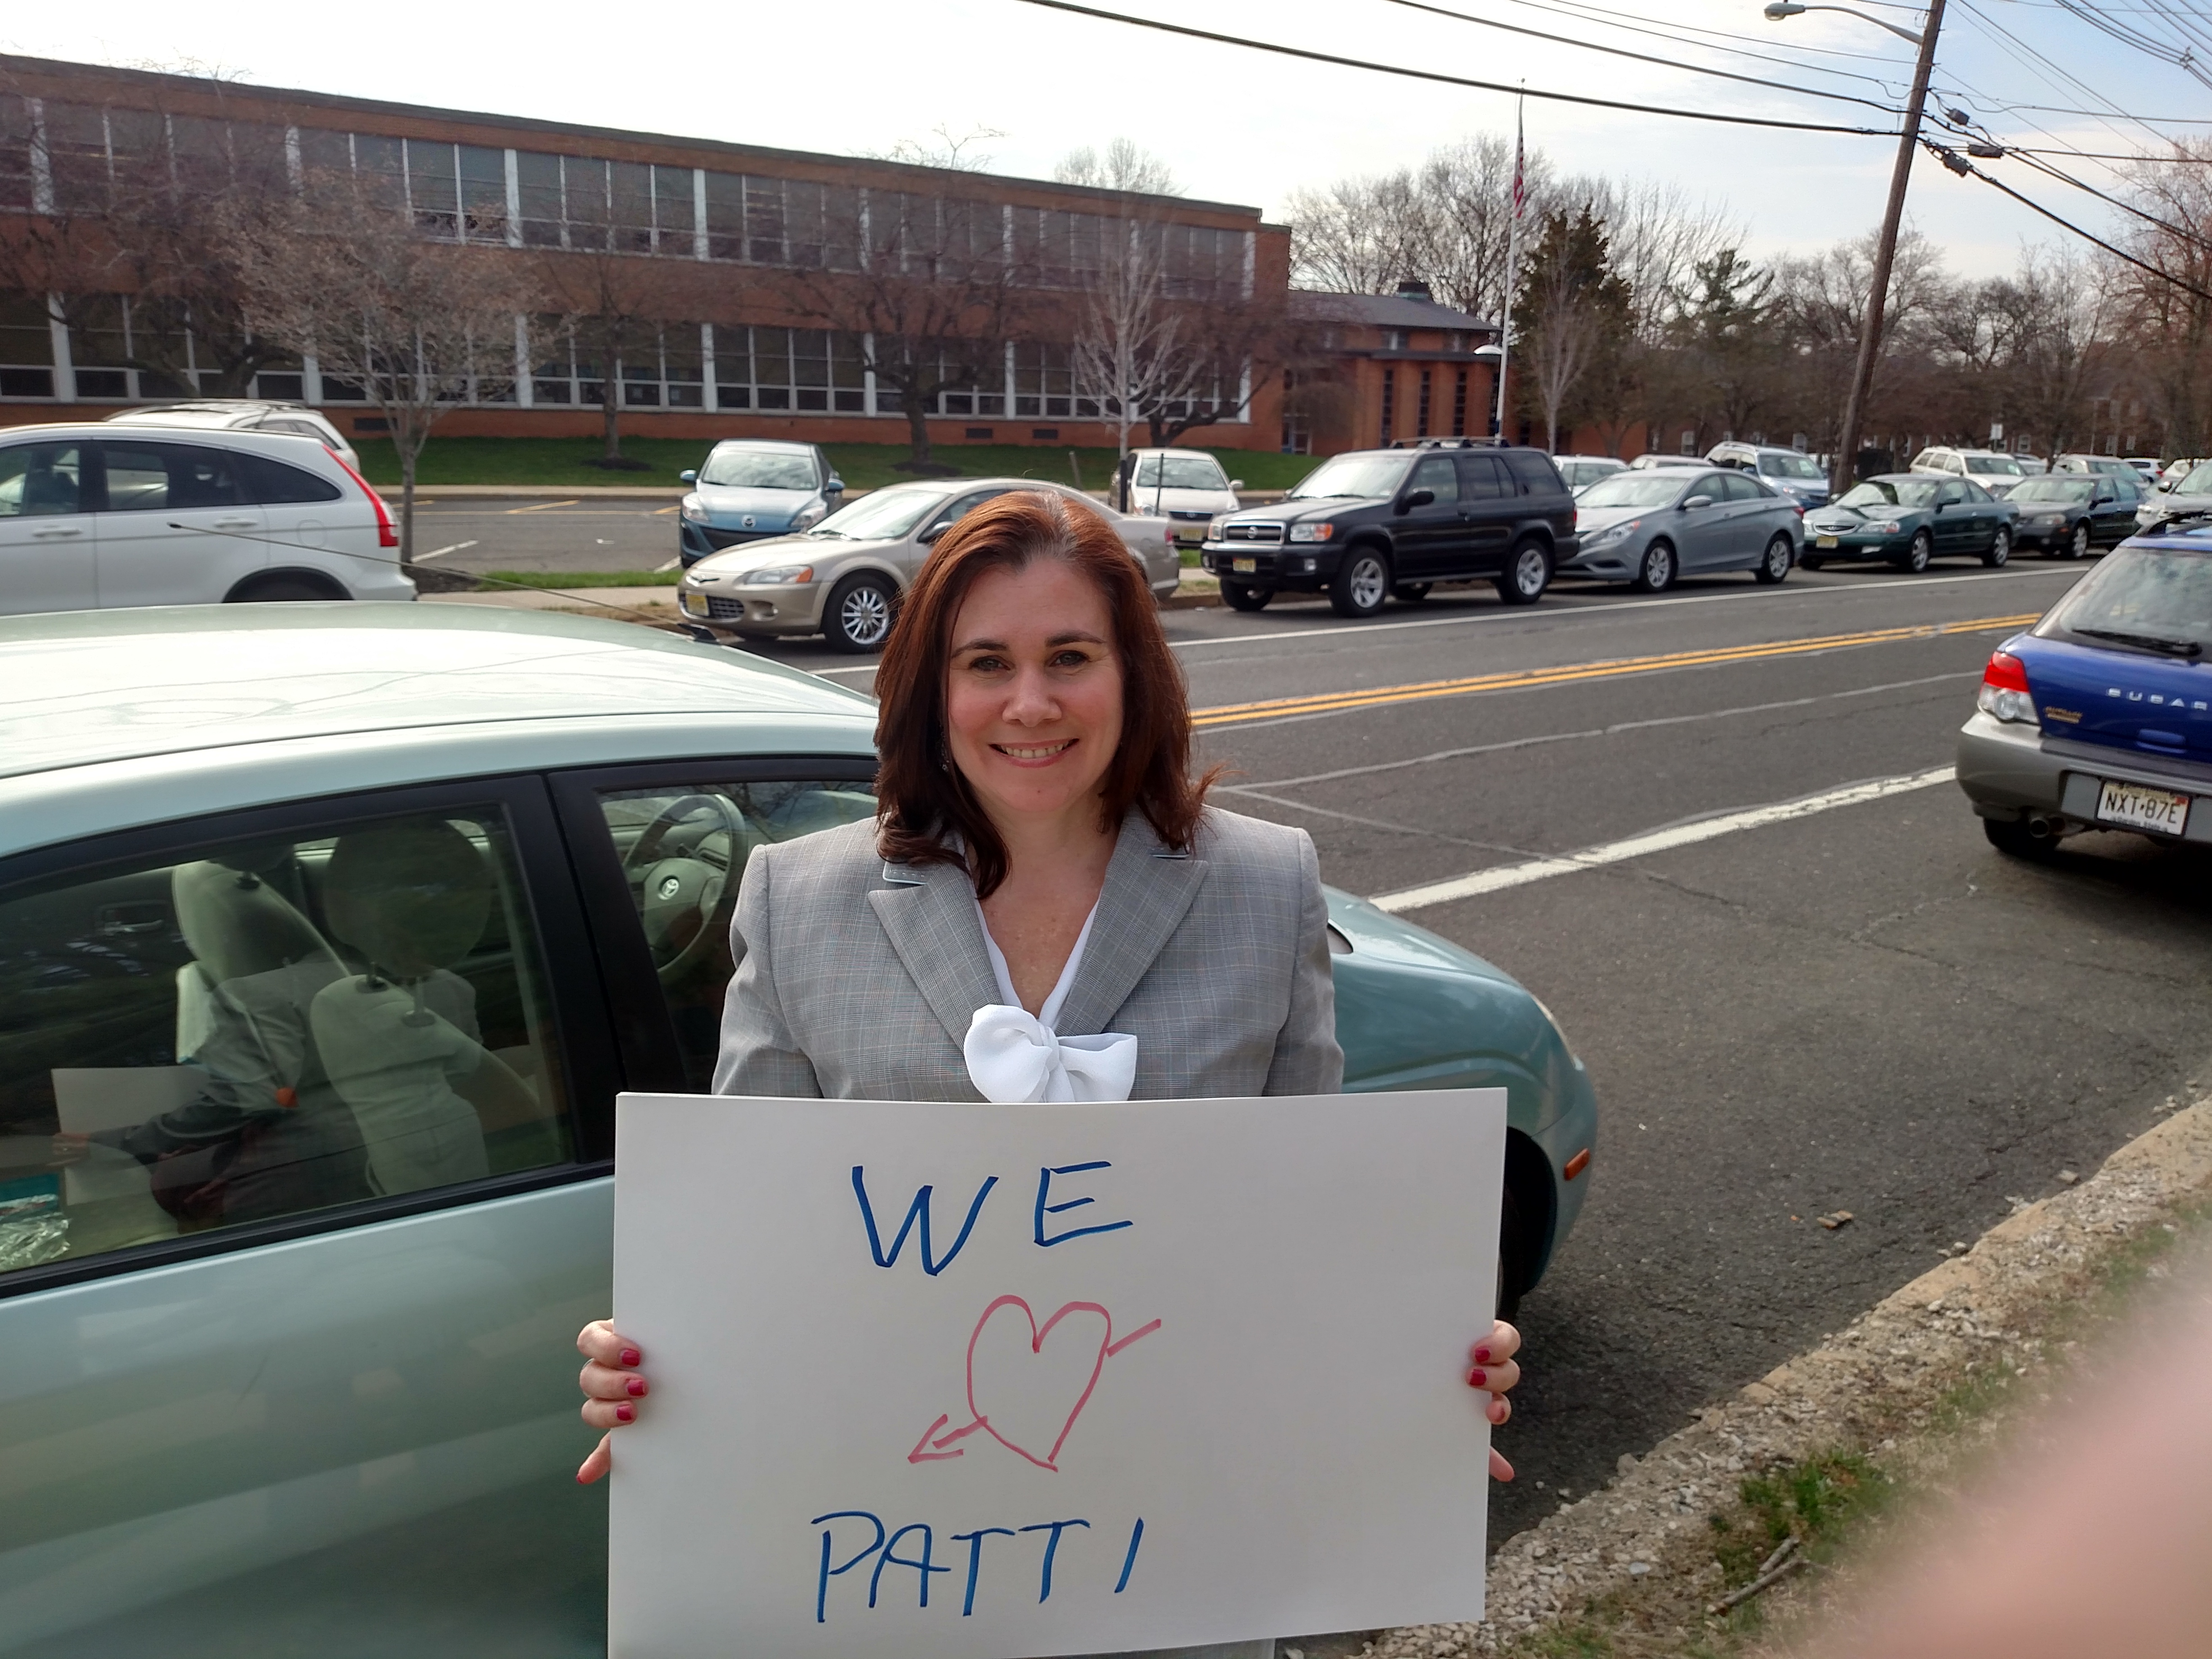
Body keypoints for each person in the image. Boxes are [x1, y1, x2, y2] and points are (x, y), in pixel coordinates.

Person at [575, 490, 1522, 1656]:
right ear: (932, 692)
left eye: (1070, 657)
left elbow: (1309, 1236)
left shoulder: (1266, 886)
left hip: (1182, 1567)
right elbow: (752, 1253)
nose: (1031, 703)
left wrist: (1416, 1372)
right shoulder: (799, 899)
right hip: (893, 1575)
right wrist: (661, 1372)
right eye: (987, 664)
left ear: (1133, 675)